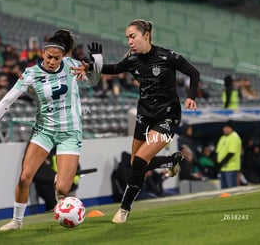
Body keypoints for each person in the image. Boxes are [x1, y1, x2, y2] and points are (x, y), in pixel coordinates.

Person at [0, 29, 103, 231]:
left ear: (63, 56)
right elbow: (6, 101)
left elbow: (94, 81)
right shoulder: (31, 74)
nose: (53, 61)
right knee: (25, 176)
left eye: (57, 58)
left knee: (62, 188)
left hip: (70, 132)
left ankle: (60, 187)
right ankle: (17, 221)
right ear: (43, 54)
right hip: (44, 130)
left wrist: (98, 62)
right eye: (49, 57)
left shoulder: (71, 66)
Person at [78, 19, 200, 224]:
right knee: (136, 163)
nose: (129, 42)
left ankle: (124, 208)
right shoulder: (132, 60)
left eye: (132, 36)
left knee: (141, 160)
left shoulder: (167, 56)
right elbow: (114, 68)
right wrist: (91, 66)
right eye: (127, 38)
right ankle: (170, 160)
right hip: (144, 117)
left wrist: (191, 96)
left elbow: (194, 73)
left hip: (168, 117)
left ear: (146, 35)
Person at [215, 120, 242, 189]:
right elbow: (218, 151)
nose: (226, 129)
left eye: (228, 127)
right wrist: (218, 163)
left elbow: (231, 153)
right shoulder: (222, 138)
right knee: (224, 189)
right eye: (225, 127)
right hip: (223, 168)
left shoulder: (234, 137)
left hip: (231, 168)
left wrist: (222, 162)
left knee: (231, 188)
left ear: (232, 128)